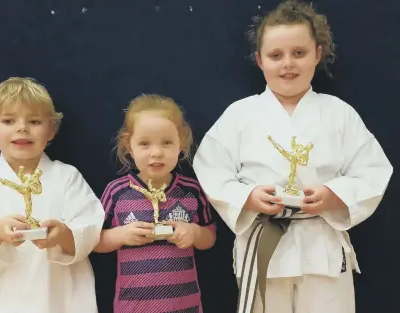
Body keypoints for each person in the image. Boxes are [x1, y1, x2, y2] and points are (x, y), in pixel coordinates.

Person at [192, 1, 393, 313]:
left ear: (318, 53)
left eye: (299, 53)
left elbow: (373, 171)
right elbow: (210, 167)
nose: (288, 63)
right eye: (276, 55)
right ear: (260, 60)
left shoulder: (339, 113)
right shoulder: (240, 115)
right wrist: (247, 196)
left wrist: (333, 194)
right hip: (263, 244)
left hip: (321, 245)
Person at [0, 77, 104, 313]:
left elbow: (90, 227)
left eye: (35, 121)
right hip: (3, 303)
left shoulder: (67, 177)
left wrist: (64, 236)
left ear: (51, 131)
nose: (22, 128)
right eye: (8, 120)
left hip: (63, 302)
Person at [94, 94, 216, 313]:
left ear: (182, 143)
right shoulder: (117, 192)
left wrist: (194, 234)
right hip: (133, 306)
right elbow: (94, 241)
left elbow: (210, 237)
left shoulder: (192, 190)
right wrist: (120, 236)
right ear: (128, 146)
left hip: (185, 305)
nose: (157, 153)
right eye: (144, 143)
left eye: (167, 143)